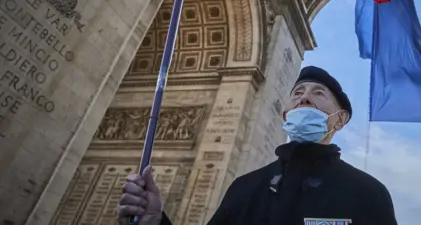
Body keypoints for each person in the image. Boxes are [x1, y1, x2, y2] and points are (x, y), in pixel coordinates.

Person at [116, 66, 398, 225]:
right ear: (286, 113)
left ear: (340, 119)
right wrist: (154, 222)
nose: (304, 99)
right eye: (297, 93)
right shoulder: (244, 187)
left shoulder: (369, 193)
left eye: (318, 93)